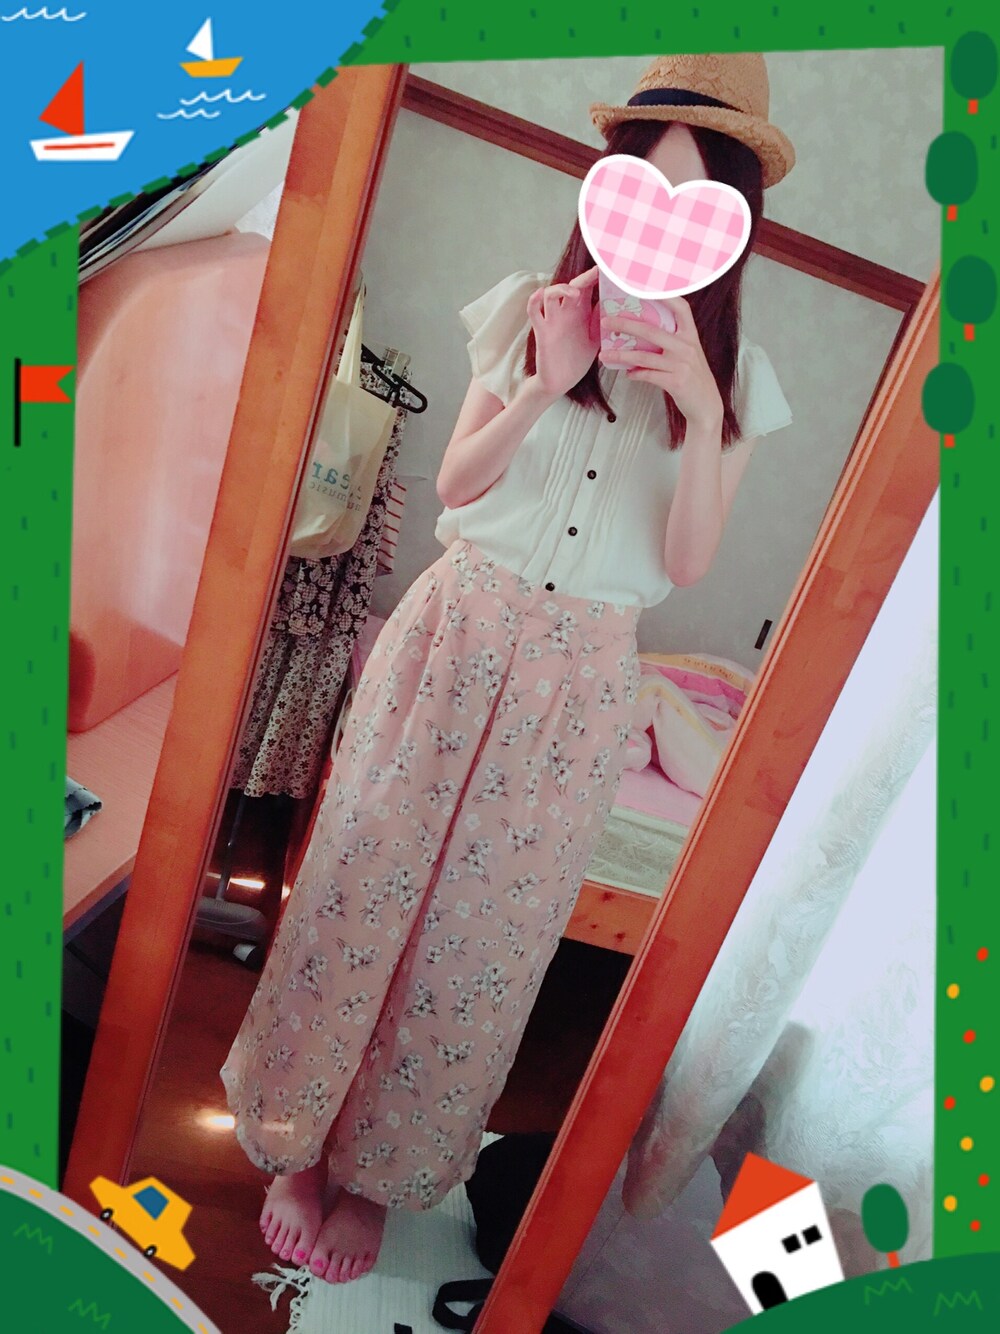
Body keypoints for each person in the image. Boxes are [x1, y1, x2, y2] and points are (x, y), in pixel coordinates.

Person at [220, 50, 796, 1286]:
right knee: (357, 880)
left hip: (578, 678)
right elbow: (455, 487)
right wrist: (542, 385)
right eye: (641, 192)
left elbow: (685, 560)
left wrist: (700, 410)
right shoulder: (530, 307)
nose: (655, 231)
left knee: (480, 939)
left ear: (730, 229)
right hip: (456, 629)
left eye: (690, 206)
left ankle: (378, 1171)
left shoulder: (739, 385)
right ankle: (293, 1143)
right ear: (607, 191)